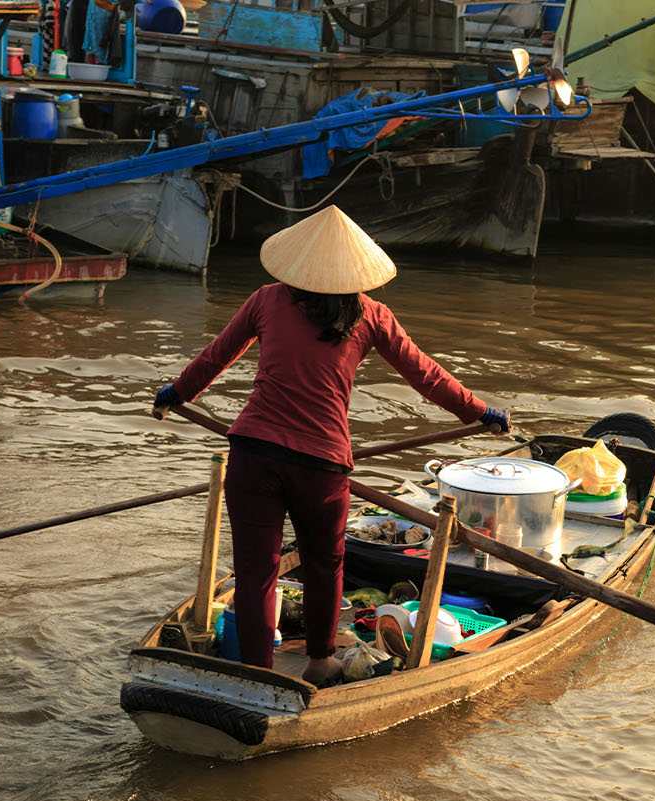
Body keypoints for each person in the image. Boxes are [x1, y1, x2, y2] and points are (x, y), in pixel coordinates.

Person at [152, 206, 510, 685]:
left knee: (258, 571)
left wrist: (176, 395)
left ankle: (257, 675)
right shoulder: (371, 314)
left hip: (253, 453)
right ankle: (320, 660)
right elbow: (426, 376)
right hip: (321, 465)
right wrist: (480, 412)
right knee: (325, 563)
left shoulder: (267, 299)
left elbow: (215, 357)